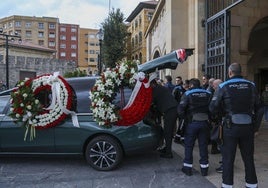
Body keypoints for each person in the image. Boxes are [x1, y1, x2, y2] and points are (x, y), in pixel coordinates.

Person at [209, 63, 262, 188]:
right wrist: (256, 128)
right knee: (248, 158)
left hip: (230, 127)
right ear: (240, 72)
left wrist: (221, 115)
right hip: (248, 127)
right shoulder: (251, 85)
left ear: (230, 73)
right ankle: (252, 185)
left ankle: (227, 185)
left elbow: (212, 108)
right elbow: (260, 109)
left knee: (228, 158)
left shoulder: (223, 86)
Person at [178, 78, 212, 176]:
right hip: (205, 123)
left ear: (191, 85)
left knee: (189, 145)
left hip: (192, 123)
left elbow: (180, 109)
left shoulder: (188, 94)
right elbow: (212, 108)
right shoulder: (208, 93)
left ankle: (187, 168)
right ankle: (204, 170)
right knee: (203, 146)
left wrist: (186, 119)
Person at [150, 75, 178, 158]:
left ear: (153, 84)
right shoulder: (160, 88)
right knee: (167, 131)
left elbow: (152, 101)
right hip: (171, 110)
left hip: (170, 111)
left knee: (168, 132)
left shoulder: (156, 90)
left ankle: (169, 153)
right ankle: (167, 148)